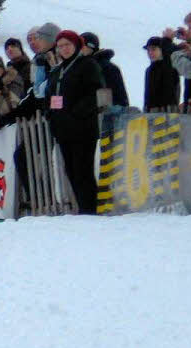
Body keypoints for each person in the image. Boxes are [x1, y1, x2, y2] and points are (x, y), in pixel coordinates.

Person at [45, 30, 104, 215]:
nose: (64, 49)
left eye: (67, 45)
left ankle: (90, 209)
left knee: (82, 170)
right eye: (60, 46)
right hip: (63, 128)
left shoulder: (87, 65)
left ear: (76, 45)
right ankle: (83, 207)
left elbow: (94, 93)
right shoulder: (57, 70)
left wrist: (76, 112)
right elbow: (49, 95)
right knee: (70, 170)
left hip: (82, 127)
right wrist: (50, 113)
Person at [80, 32, 129, 111]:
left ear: (90, 47)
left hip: (109, 115)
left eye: (82, 46)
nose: (80, 49)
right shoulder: (82, 66)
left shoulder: (104, 67)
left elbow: (107, 96)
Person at [142, 36, 180, 111]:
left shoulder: (170, 68)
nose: (150, 53)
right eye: (148, 50)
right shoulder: (149, 70)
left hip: (168, 111)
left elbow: (176, 90)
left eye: (153, 49)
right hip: (151, 112)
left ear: (162, 50)